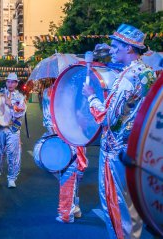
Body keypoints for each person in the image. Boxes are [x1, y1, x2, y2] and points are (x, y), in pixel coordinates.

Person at [82, 23, 156, 238]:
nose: (111, 50)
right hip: (134, 148)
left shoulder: (127, 79)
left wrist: (91, 97)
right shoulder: (146, 72)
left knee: (116, 205)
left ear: (129, 49)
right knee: (132, 207)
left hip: (115, 151)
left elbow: (106, 118)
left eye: (115, 46)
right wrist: (107, 49)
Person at [40, 82, 88, 223]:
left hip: (71, 139)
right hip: (72, 138)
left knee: (69, 176)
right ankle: (75, 207)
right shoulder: (52, 92)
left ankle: (67, 213)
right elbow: (49, 120)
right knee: (73, 175)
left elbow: (48, 120)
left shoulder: (52, 92)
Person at [0, 73, 27, 188]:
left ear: (16, 83)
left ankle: (12, 178)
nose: (10, 84)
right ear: (6, 82)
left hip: (12, 128)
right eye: (8, 81)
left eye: (13, 82)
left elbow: (21, 111)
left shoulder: (19, 97)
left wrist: (11, 105)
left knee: (13, 153)